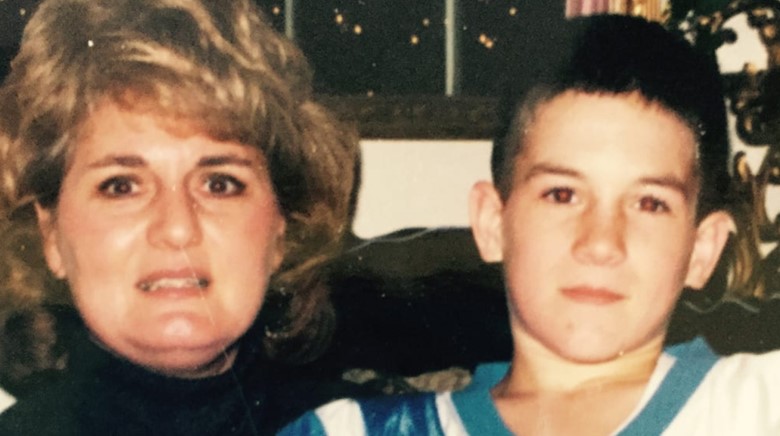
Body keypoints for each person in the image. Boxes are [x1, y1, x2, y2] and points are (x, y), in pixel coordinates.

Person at [280, 14, 780, 435]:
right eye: (562, 195)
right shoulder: (348, 430)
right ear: (493, 222)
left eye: (649, 203)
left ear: (703, 250)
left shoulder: (759, 404)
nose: (601, 243)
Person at [0, 0, 360, 434]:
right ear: (51, 235)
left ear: (282, 230)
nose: (178, 228)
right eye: (121, 185)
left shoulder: (368, 425)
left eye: (220, 183)